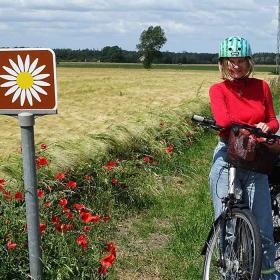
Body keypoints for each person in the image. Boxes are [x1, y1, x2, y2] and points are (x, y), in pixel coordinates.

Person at [209, 36, 280, 280]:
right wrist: (253, 127)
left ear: (249, 62)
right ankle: (229, 274)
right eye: (231, 61)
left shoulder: (261, 87)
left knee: (263, 228)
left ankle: (269, 274)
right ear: (223, 63)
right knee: (227, 226)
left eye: (241, 61)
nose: (236, 66)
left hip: (255, 160)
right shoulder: (218, 90)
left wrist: (267, 127)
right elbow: (223, 121)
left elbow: (273, 120)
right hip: (227, 157)